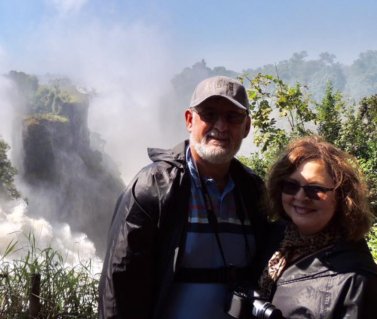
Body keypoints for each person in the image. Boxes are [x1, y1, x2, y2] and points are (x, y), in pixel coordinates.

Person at [98, 76, 268, 319]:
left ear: (247, 127)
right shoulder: (154, 187)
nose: (220, 126)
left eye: (232, 116)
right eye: (209, 114)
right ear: (190, 120)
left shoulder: (252, 191)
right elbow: (119, 283)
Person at [259, 136, 377, 317]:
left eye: (315, 189)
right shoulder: (274, 242)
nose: (300, 197)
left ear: (342, 197)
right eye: (291, 186)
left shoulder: (355, 278)